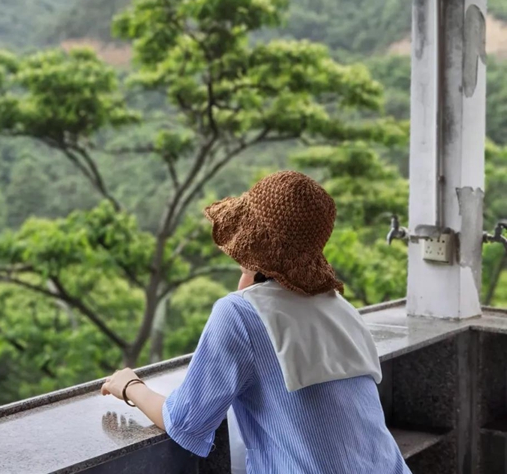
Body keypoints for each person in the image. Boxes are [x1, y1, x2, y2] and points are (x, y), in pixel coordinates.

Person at [101, 170, 411, 474]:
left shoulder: (239, 313)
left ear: (249, 240)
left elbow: (184, 421)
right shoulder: (338, 307)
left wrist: (130, 386)